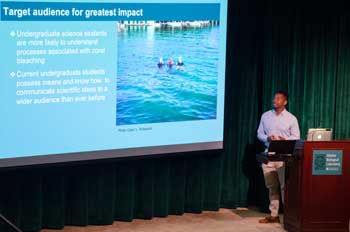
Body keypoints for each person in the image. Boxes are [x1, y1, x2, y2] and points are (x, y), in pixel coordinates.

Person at [257, 90, 300, 223]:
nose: (275, 100)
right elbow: (259, 133)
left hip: (283, 157)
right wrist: (267, 138)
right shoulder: (265, 116)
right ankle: (274, 215)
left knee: (284, 187)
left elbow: (296, 137)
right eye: (274, 98)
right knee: (272, 187)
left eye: (278, 98)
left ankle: (288, 216)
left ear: (285, 102)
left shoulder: (291, 118)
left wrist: (284, 140)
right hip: (268, 156)